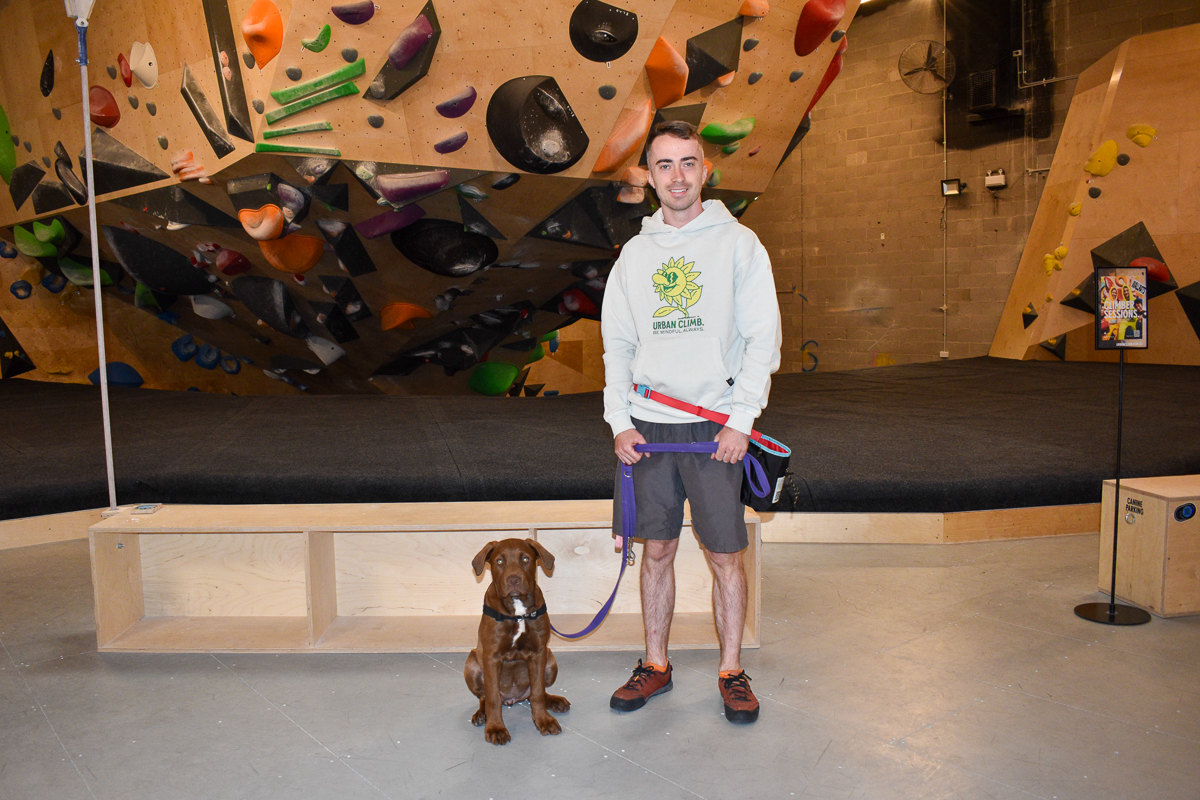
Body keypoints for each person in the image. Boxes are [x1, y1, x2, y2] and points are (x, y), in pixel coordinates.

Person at [600, 120, 782, 724]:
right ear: (648, 177)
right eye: (664, 166)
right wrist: (619, 421)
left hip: (714, 431)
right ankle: (656, 664)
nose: (677, 177)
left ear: (705, 171)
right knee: (657, 551)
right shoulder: (634, 254)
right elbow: (617, 347)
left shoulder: (739, 244)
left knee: (726, 554)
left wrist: (741, 420)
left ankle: (731, 670)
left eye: (688, 163)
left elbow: (763, 341)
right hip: (649, 429)